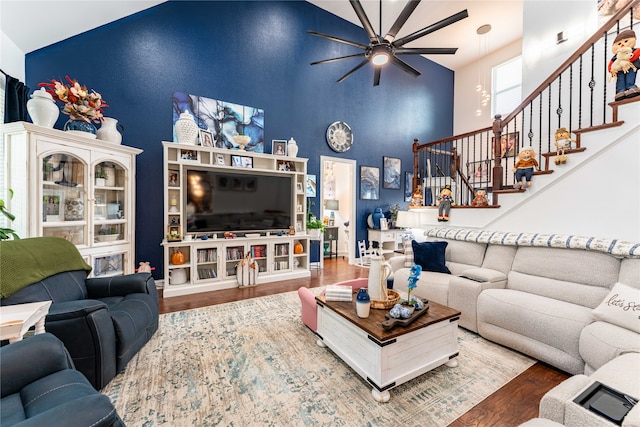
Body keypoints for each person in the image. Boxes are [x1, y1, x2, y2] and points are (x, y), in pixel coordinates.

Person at [608, 29, 640, 100]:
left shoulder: (632, 51)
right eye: (619, 44)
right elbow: (610, 64)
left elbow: (636, 54)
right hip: (620, 70)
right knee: (620, 80)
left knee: (630, 78)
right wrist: (612, 70)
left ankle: (631, 88)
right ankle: (620, 91)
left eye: (626, 41)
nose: (622, 44)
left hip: (631, 67)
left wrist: (625, 62)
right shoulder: (616, 57)